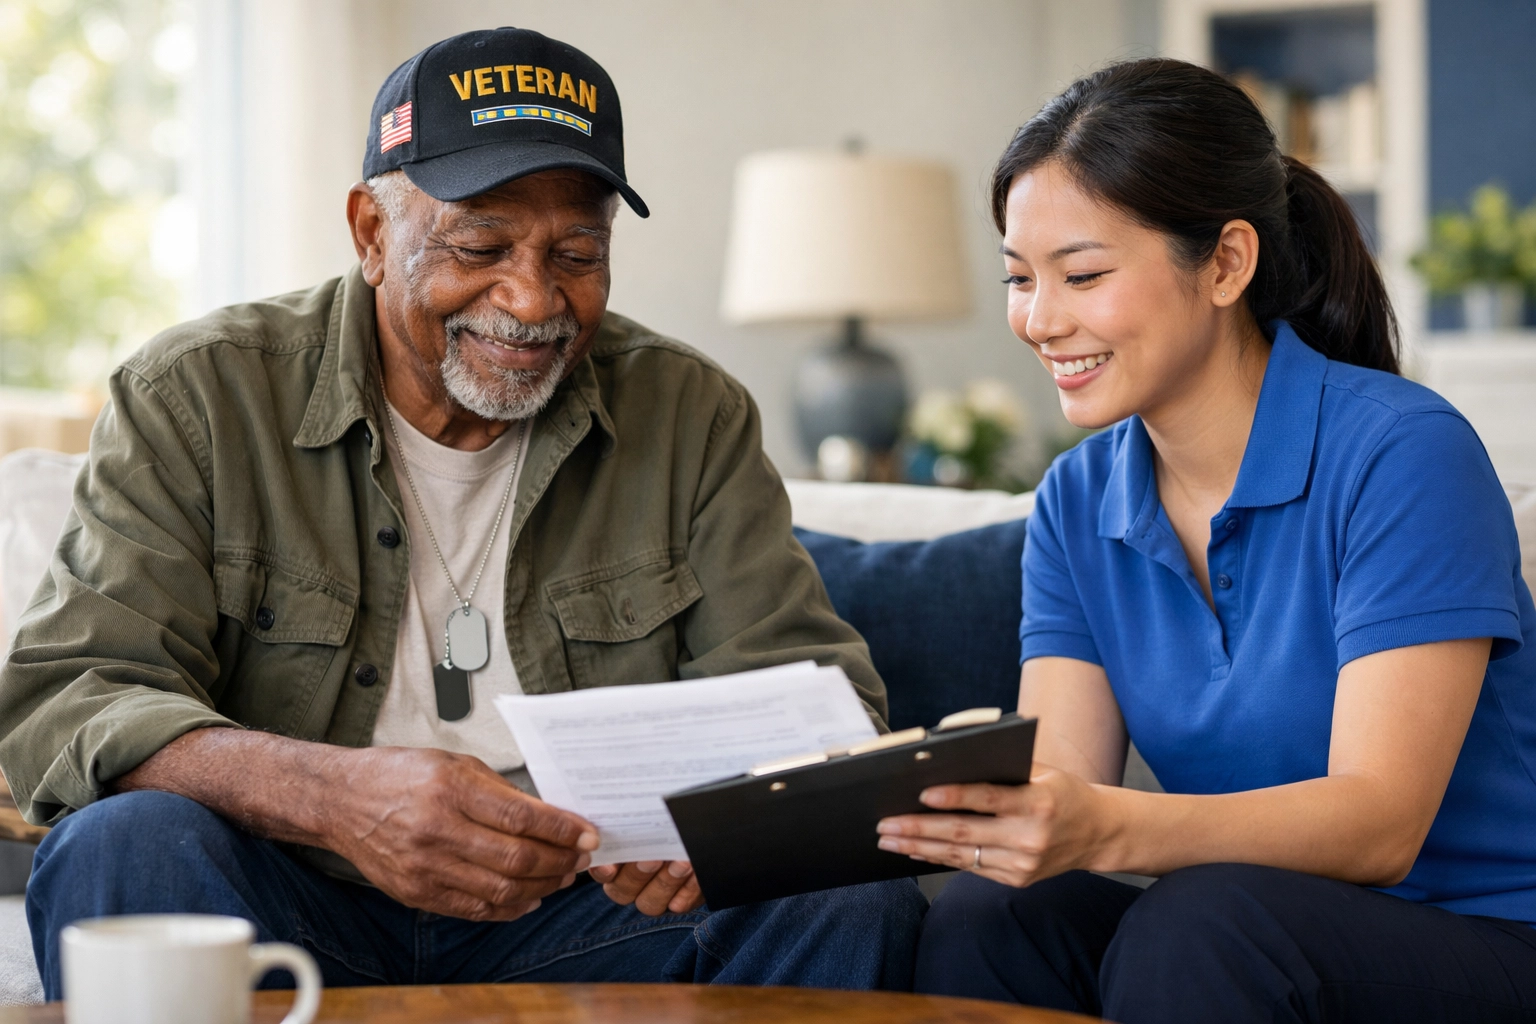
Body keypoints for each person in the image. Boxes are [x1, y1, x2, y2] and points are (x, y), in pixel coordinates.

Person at [2, 28, 924, 999]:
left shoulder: (690, 414)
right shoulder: (200, 397)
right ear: (370, 232)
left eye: (578, 252)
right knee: (123, 846)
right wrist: (332, 796)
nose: (533, 300)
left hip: (590, 910)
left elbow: (812, 700)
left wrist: (731, 823)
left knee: (843, 883)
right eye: (480, 245)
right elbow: (73, 697)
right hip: (290, 892)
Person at [876, 59, 1536, 1022]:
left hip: (1487, 937)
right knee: (997, 914)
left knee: (1201, 922)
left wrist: (1105, 827)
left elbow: (1382, 826)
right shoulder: (1074, 500)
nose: (1040, 320)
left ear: (1226, 262)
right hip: (1259, 926)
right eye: (1021, 279)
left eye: (1084, 274)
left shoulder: (1402, 452)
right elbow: (1061, 789)